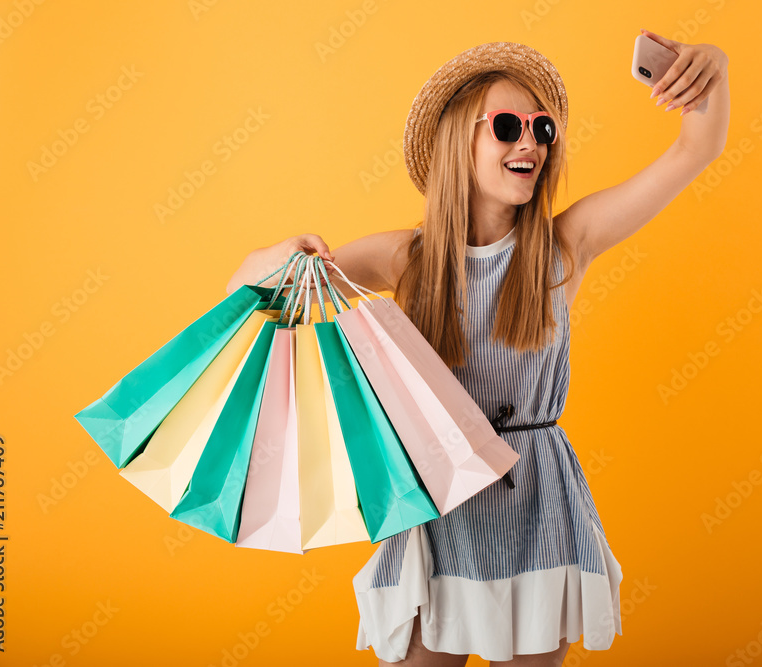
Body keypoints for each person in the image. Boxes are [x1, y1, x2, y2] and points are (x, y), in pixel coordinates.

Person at [226, 35, 729, 666]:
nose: (531, 143)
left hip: (535, 502)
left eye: (542, 128)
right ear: (458, 144)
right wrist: (280, 256)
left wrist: (711, 75)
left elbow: (697, 147)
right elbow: (250, 293)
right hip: (440, 496)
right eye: (509, 127)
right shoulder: (405, 259)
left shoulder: (563, 247)